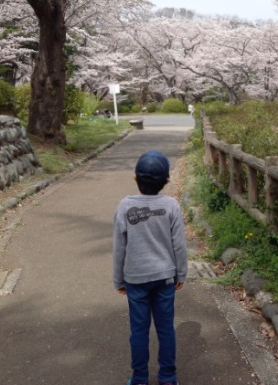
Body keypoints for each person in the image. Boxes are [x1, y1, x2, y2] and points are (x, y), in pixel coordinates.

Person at [113, 150, 187, 385]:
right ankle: (167, 377)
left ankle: (140, 378)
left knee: (139, 332)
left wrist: (118, 280)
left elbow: (119, 247)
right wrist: (181, 273)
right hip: (165, 278)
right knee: (166, 330)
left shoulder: (125, 206)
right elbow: (179, 245)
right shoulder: (171, 206)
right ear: (166, 181)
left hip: (135, 279)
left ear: (135, 178)